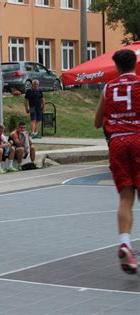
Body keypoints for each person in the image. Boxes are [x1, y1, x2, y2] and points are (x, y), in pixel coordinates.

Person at [94, 49, 140, 275]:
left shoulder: (108, 88)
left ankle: (125, 243)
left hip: (118, 143)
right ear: (135, 64)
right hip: (139, 139)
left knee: (125, 197)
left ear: (116, 67)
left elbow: (96, 122)